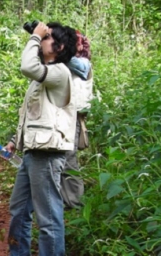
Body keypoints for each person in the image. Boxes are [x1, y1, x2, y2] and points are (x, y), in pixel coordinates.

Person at [5, 22, 78, 256]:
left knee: (48, 218)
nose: (42, 40)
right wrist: (16, 140)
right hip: (33, 151)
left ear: (60, 46)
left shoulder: (59, 72)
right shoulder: (42, 77)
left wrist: (35, 36)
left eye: (47, 37)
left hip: (47, 153)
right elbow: (31, 114)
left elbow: (27, 66)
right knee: (19, 209)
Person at [62, 31, 93, 209]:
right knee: (63, 159)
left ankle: (74, 202)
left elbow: (78, 66)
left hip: (73, 117)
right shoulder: (69, 63)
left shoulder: (82, 63)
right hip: (66, 115)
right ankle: (66, 200)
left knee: (69, 159)